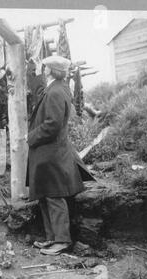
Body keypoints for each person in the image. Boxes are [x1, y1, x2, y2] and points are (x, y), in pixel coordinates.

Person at [26, 55, 95, 256]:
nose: (42, 68)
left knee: (54, 195)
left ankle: (62, 240)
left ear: (50, 70)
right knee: (46, 195)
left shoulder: (55, 91)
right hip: (50, 152)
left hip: (51, 153)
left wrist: (30, 137)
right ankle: (51, 238)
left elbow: (52, 125)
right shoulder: (57, 87)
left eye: (44, 66)